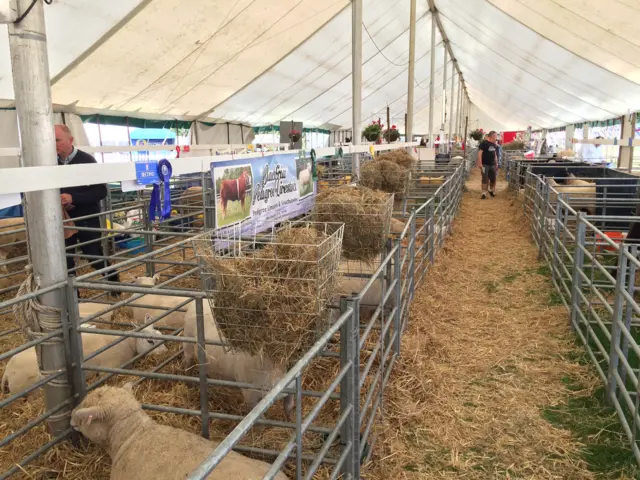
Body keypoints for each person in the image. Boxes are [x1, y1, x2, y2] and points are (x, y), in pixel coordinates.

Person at [55, 124, 121, 290]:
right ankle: (73, 299)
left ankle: (115, 284)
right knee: (66, 260)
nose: (53, 144)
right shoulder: (49, 162)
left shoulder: (87, 160)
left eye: (57, 140)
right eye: (50, 140)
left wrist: (74, 198)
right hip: (62, 219)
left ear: (70, 140)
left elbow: (100, 191)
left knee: (93, 255)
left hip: (86, 217)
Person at [477, 130, 499, 199]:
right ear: (492, 136)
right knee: (484, 178)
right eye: (496, 136)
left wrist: (496, 163)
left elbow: (495, 154)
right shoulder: (484, 143)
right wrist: (480, 163)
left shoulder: (494, 144)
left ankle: (491, 190)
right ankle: (484, 193)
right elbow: (480, 153)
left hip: (492, 164)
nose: (496, 138)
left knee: (493, 178)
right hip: (484, 164)